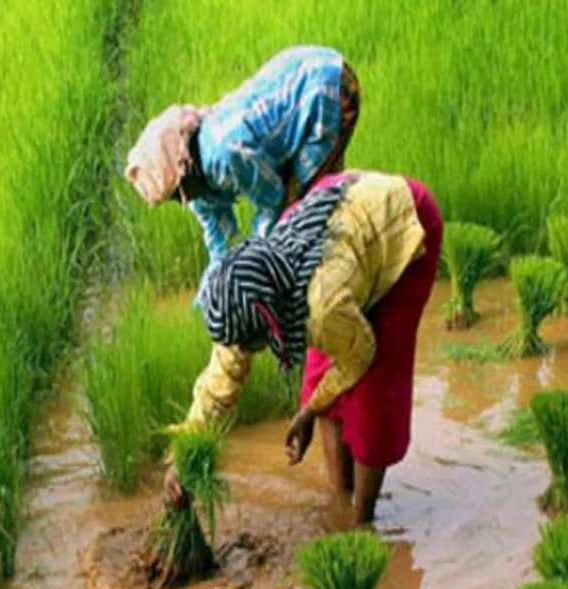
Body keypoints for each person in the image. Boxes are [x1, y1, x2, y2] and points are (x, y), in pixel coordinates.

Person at [163, 171, 444, 525]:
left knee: (376, 389)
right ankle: (340, 499)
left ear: (270, 324)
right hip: (339, 223)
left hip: (401, 222)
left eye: (252, 343)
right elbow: (221, 379)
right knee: (320, 370)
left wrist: (308, 411)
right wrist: (180, 457)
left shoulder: (322, 303)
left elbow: (360, 354)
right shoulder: (248, 295)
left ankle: (361, 523)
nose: (249, 351)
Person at [124, 45, 362, 307]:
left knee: (307, 208)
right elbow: (217, 240)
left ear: (184, 168)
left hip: (327, 88)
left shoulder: (225, 155)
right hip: (306, 80)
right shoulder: (195, 180)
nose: (182, 203)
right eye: (174, 199)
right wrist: (208, 294)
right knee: (302, 217)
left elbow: (274, 200)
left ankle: (348, 279)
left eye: (177, 195)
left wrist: (253, 263)